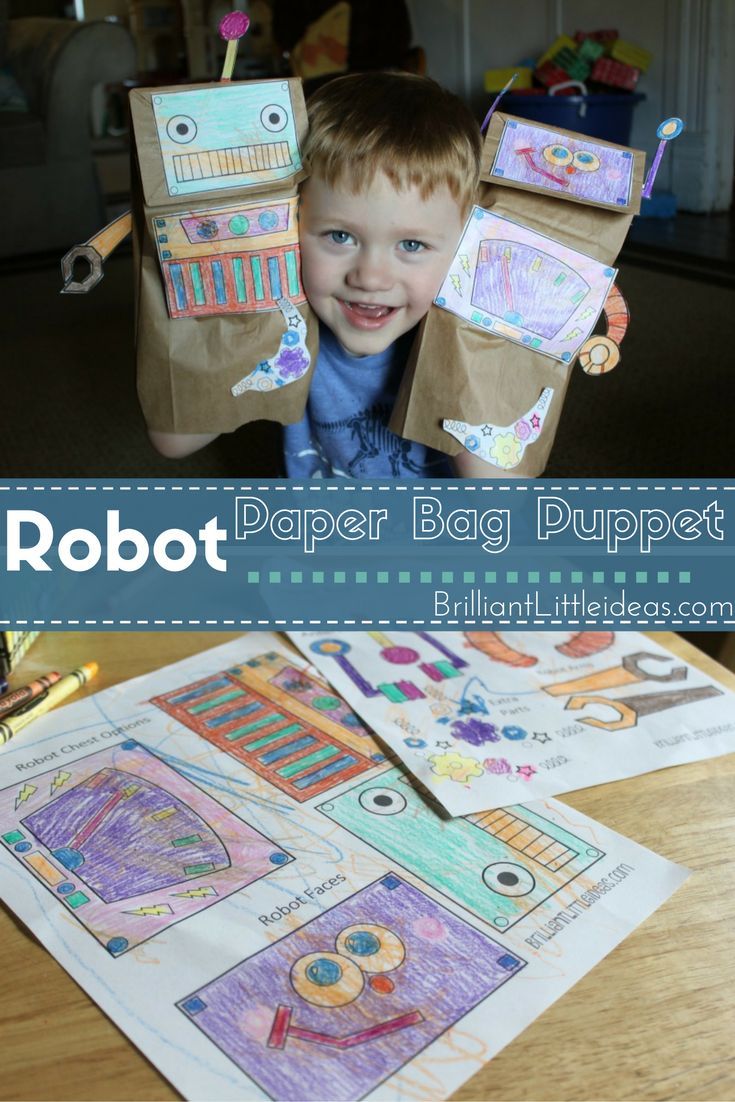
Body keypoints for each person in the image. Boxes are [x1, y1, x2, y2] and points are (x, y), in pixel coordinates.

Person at [150, 72, 509, 476]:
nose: (371, 278)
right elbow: (174, 440)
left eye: (411, 245)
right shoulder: (291, 334)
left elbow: (495, 492)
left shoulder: (467, 342)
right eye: (340, 236)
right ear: (291, 227)